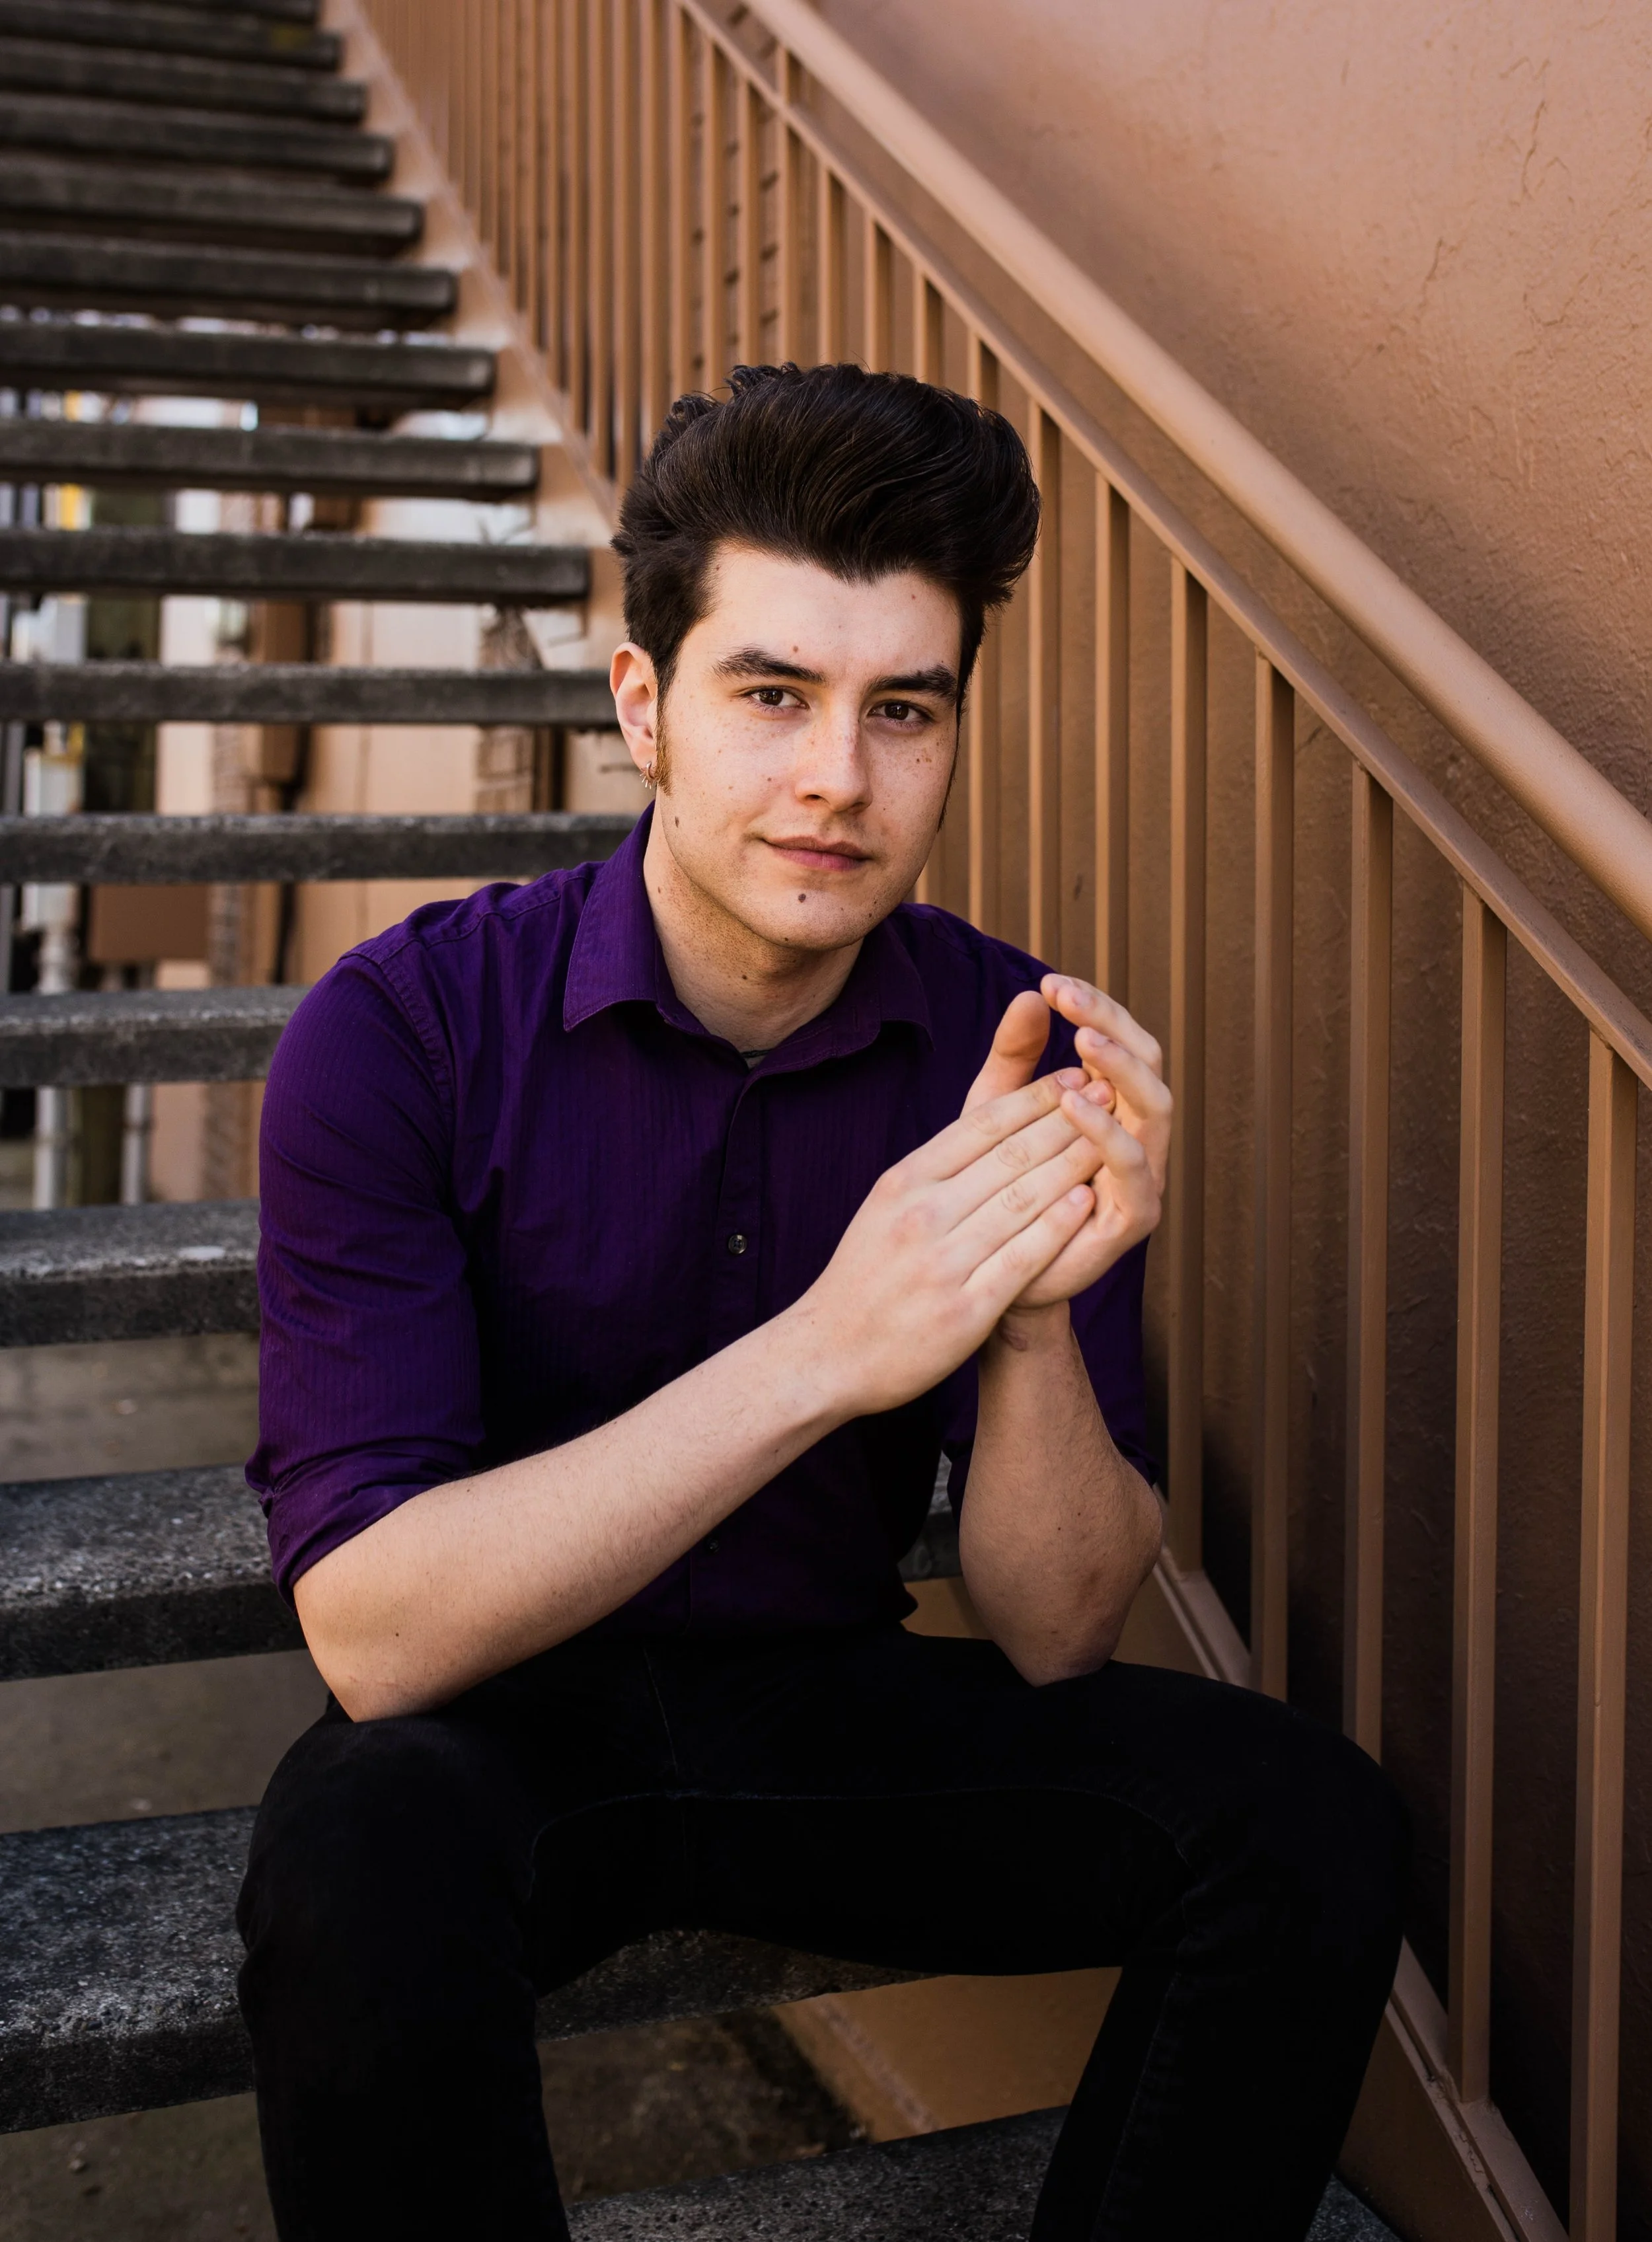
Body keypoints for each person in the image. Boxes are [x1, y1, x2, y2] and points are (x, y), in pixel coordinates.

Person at [238, 363, 1405, 2242]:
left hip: (828, 1703)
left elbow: (1056, 1632)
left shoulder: (996, 1038)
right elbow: (375, 1643)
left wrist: (1028, 1318)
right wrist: (820, 1352)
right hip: (504, 1712)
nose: (835, 780)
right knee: (349, 1849)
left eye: (902, 712)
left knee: (1307, 1825)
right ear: (645, 705)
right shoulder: (399, 1035)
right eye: (770, 694)